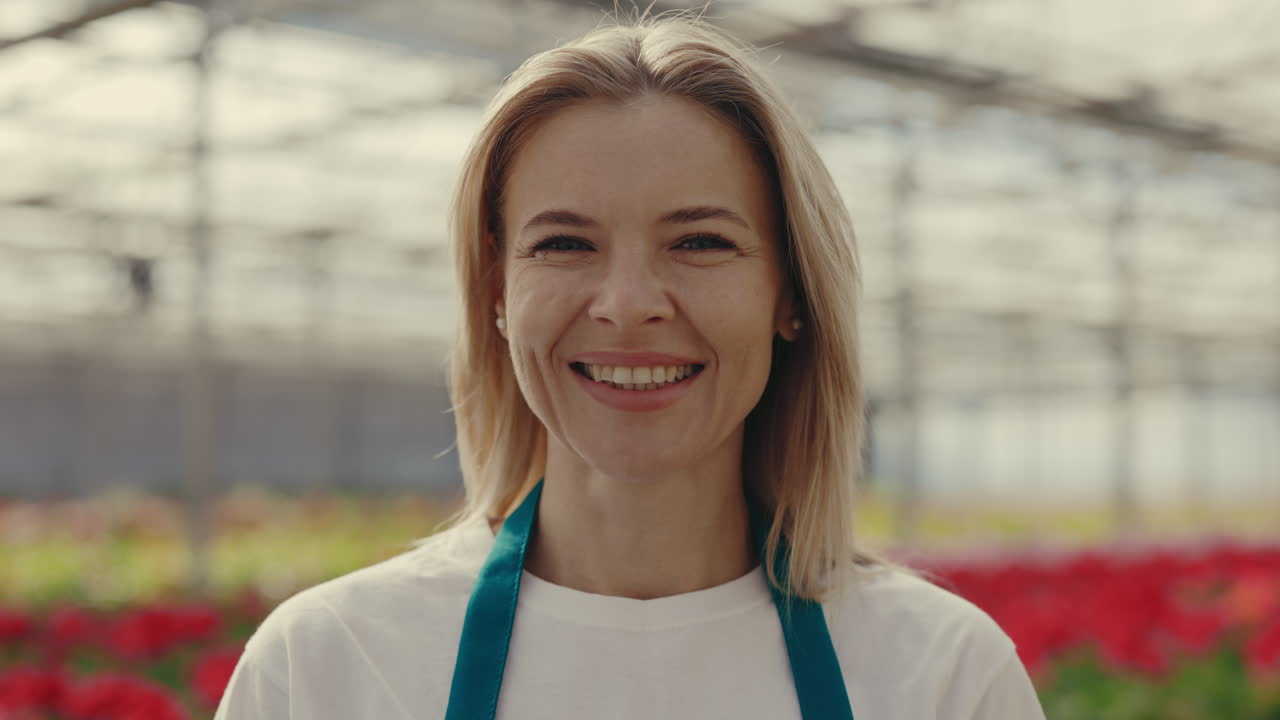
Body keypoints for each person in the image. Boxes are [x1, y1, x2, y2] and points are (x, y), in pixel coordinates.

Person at [215, 15, 1046, 719]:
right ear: (497, 294)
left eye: (700, 242)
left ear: (789, 294)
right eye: (565, 243)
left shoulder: (943, 678)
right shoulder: (325, 670)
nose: (627, 303)